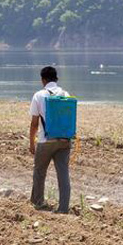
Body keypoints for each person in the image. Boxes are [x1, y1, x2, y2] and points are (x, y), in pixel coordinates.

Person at [29, 66, 71, 213]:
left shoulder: (38, 96)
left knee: (40, 171)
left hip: (45, 140)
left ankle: (38, 202)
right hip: (65, 140)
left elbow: (34, 123)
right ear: (56, 79)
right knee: (63, 174)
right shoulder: (65, 93)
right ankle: (64, 208)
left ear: (43, 80)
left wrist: (31, 141)